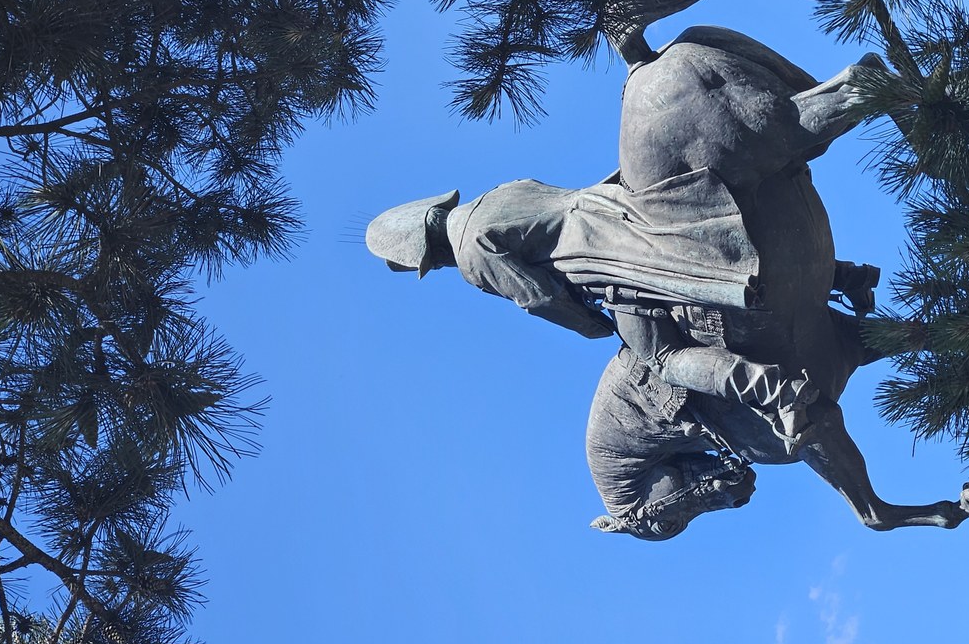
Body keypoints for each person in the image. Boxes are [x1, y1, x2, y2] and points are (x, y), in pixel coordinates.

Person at [365, 177, 878, 447]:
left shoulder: (472, 255)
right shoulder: (497, 192)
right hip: (611, 204)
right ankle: (845, 275)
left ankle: (777, 392)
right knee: (700, 243)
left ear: (428, 251)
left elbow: (540, 296)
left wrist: (592, 325)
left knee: (662, 359)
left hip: (602, 260)